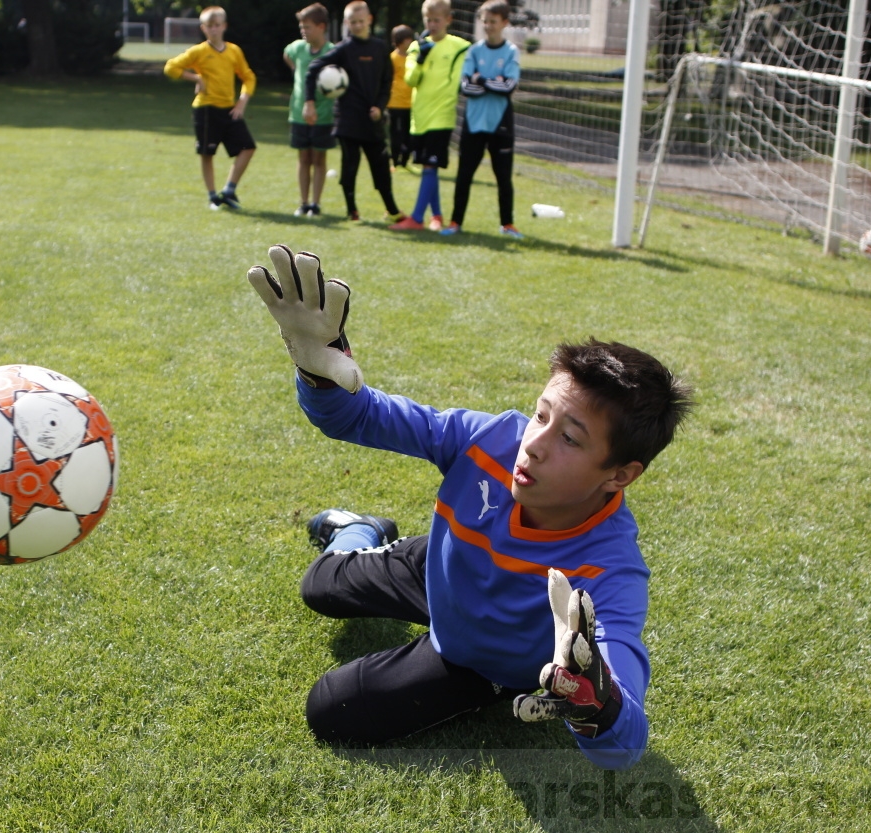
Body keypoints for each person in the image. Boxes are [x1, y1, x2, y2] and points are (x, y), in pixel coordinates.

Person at [246, 245, 695, 769]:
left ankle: (480, 675)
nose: (535, 443)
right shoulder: (492, 438)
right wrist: (319, 373)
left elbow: (627, 742)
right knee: (318, 585)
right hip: (442, 564)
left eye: (570, 439)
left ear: (619, 475)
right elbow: (360, 417)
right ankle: (360, 529)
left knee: (332, 708)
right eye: (540, 415)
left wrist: (600, 703)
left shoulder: (609, 570)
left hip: (479, 658)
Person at [304, 1, 406, 224]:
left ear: (369, 20)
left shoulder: (380, 48)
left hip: (373, 120)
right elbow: (313, 70)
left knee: (381, 166)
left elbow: (387, 82)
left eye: (361, 21)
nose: (358, 25)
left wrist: (380, 106)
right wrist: (309, 102)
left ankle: (393, 210)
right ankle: (352, 211)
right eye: (353, 22)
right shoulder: (343, 49)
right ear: (347, 23)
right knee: (350, 167)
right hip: (348, 120)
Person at [441, 0, 522, 239]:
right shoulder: (474, 51)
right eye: (485, 21)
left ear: (504, 23)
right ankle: (456, 222)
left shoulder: (511, 51)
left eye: (493, 22)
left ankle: (507, 224)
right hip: (473, 123)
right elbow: (466, 87)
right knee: (464, 175)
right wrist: (490, 82)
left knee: (503, 178)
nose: (488, 26)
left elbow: (508, 86)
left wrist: (482, 80)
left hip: (501, 124)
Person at [164, 6, 257, 210]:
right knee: (207, 153)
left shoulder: (234, 51)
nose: (214, 30)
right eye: (209, 26)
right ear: (203, 28)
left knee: (248, 147)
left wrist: (242, 102)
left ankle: (229, 190)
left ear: (224, 26)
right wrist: (195, 77)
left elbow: (248, 77)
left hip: (229, 109)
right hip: (206, 110)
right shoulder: (199, 51)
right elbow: (170, 67)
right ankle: (213, 196)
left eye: (217, 25)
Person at [390, 0, 470, 231]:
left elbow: (456, 83)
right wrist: (421, 59)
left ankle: (416, 218)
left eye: (437, 20)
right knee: (428, 165)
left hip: (441, 117)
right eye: (428, 20)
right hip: (420, 118)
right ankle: (436, 215)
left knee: (429, 166)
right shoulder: (417, 47)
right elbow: (411, 79)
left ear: (448, 20)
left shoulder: (460, 47)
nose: (432, 24)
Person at [285, 3, 335, 218]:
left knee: (319, 159)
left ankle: (316, 203)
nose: (304, 31)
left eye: (308, 27)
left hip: (323, 115)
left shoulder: (332, 51)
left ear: (322, 26)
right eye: (301, 27)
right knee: (303, 158)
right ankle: (303, 203)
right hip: (298, 113)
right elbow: (287, 55)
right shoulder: (297, 48)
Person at [387, 25, 416, 173]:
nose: (410, 42)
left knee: (408, 134)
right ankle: (395, 161)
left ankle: (405, 161)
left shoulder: (414, 57)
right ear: (399, 41)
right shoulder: (392, 58)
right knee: (395, 133)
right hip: (395, 102)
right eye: (407, 39)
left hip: (411, 102)